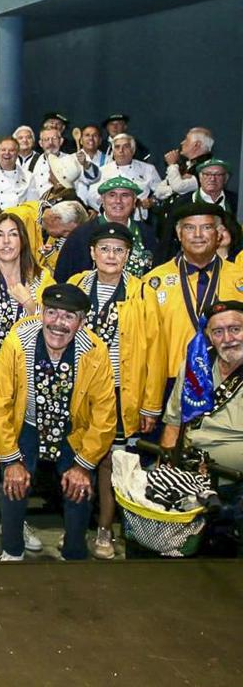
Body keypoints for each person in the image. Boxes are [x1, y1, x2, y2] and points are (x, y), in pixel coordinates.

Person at [0, 284, 116, 561]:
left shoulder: (94, 351)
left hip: (72, 428)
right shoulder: (18, 340)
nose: (58, 323)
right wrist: (11, 459)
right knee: (14, 481)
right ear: (42, 313)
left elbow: (104, 415)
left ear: (81, 323)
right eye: (52, 313)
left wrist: (83, 464)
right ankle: (11, 551)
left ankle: (74, 552)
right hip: (28, 422)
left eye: (68, 317)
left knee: (80, 485)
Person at [67, 222, 155, 559]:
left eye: (119, 250)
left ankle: (105, 530)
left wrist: (149, 404)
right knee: (76, 455)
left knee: (109, 461)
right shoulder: (76, 285)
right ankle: (76, 529)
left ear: (128, 256)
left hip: (119, 390)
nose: (111, 255)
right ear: (92, 252)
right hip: (78, 387)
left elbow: (154, 350)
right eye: (104, 249)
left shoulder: (141, 291)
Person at [0, 213, 54, 551]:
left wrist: (31, 304)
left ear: (23, 241)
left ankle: (15, 518)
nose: (5, 241)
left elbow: (57, 328)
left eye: (13, 235)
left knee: (22, 451)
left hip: (28, 383)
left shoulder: (43, 278)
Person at [142, 203, 243, 422]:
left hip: (230, 381)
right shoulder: (152, 282)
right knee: (166, 451)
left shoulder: (239, 277)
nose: (197, 235)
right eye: (189, 228)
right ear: (179, 234)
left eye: (206, 227)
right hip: (169, 382)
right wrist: (149, 401)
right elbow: (145, 344)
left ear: (218, 234)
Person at [161, 300, 243, 476]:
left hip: (235, 482)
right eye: (218, 332)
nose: (228, 339)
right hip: (190, 471)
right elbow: (173, 425)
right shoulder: (194, 368)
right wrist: (168, 469)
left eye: (235, 329)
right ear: (209, 337)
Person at [53, 176, 157, 282]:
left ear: (134, 201)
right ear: (102, 200)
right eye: (112, 195)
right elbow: (63, 277)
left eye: (125, 195)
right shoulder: (81, 235)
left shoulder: (147, 234)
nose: (118, 201)